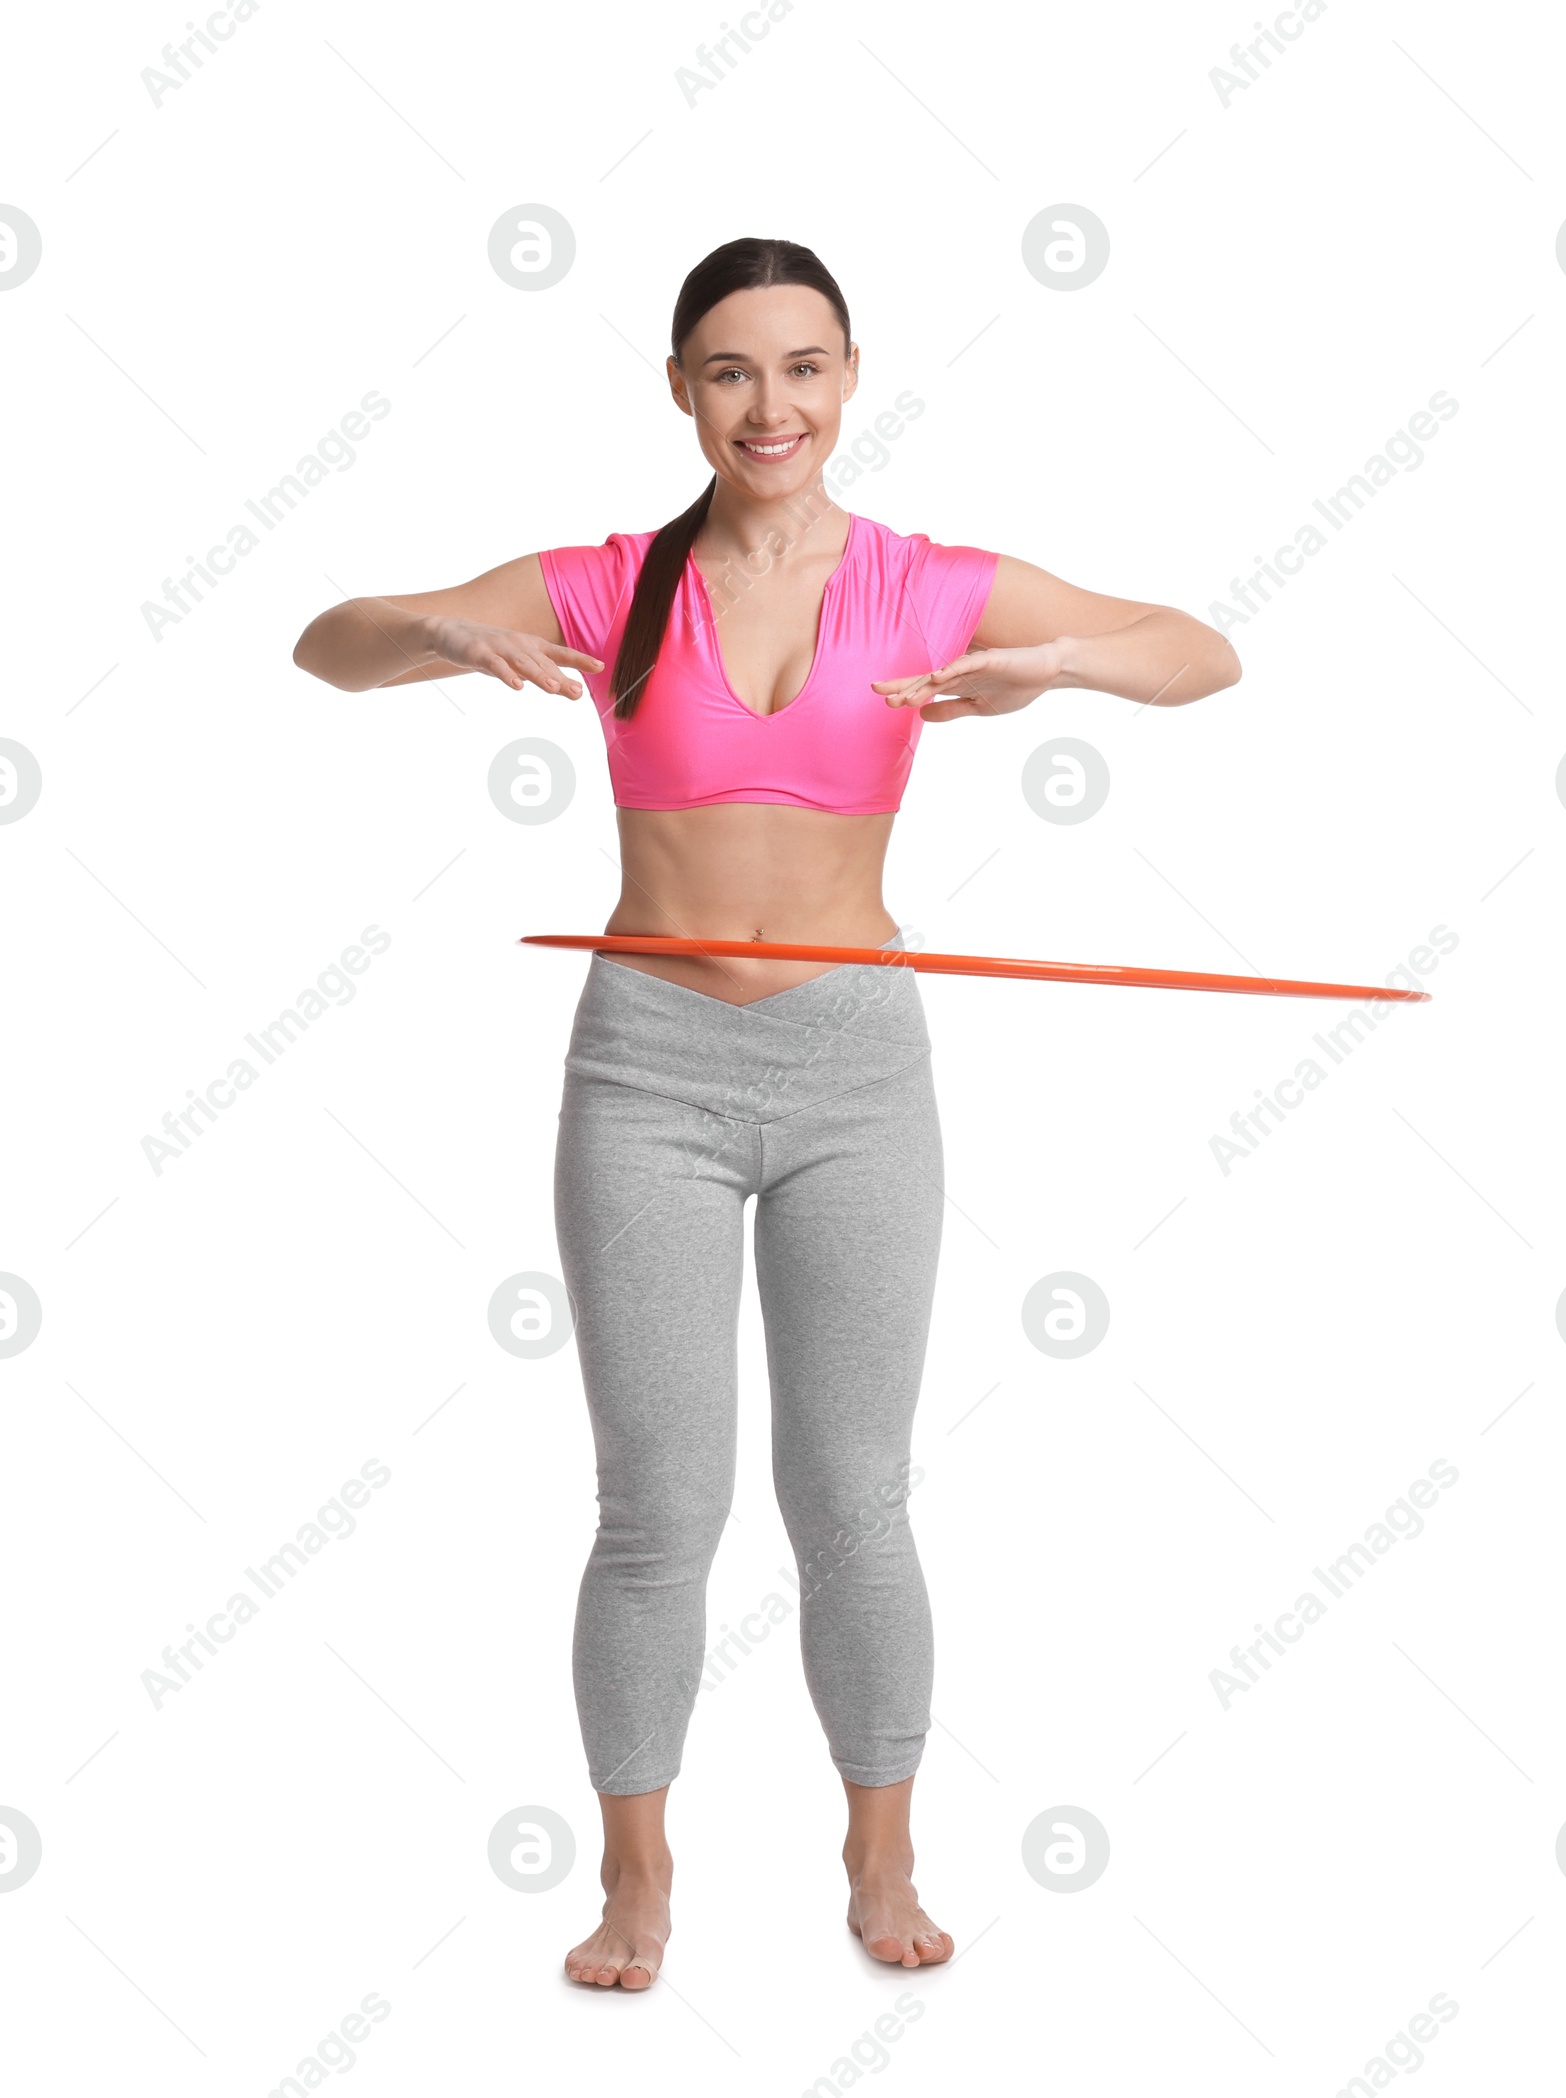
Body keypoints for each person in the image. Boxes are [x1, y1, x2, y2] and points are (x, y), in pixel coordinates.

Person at [292, 235, 1240, 1993]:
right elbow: (321, 647)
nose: (770, 404)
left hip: (854, 1067)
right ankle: (636, 1879)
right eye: (731, 370)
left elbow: (1204, 652)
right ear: (680, 390)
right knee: (660, 1502)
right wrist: (435, 629)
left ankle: (881, 1851)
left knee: (852, 1495)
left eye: (802, 367)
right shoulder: (609, 584)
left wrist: (1067, 670)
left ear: (850, 376)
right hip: (645, 1062)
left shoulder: (924, 581)